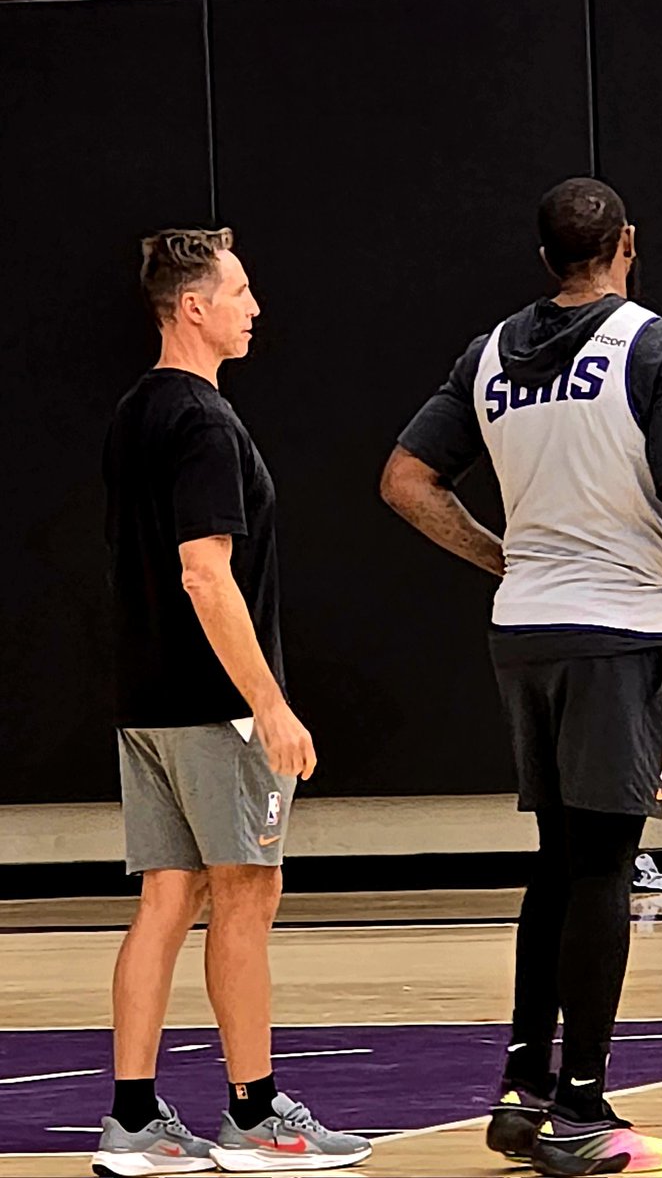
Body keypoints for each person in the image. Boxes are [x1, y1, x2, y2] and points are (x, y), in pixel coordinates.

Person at [380, 178, 662, 1177]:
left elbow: (403, 480)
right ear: (627, 244)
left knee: (560, 860)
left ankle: (524, 1089)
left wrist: (503, 556)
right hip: (616, 630)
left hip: (523, 630)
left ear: (544, 259)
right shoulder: (656, 346)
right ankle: (582, 1108)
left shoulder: (490, 353)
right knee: (605, 868)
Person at [96, 228, 371, 1176]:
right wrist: (273, 703)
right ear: (192, 307)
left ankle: (132, 1121)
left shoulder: (134, 412)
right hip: (216, 707)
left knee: (166, 900)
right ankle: (254, 1116)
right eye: (241, 291)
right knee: (248, 896)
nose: (255, 308)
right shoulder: (207, 423)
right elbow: (204, 576)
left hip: (145, 700)